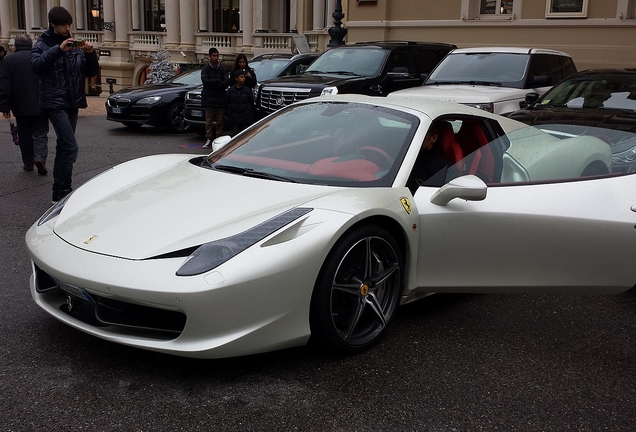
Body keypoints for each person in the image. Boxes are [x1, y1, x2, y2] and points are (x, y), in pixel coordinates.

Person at [31, 6, 99, 203]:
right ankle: (64, 188)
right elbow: (37, 66)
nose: (68, 28)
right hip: (53, 102)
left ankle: (59, 193)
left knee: (63, 146)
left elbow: (89, 73)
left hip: (72, 102)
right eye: (64, 25)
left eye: (69, 24)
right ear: (53, 24)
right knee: (70, 146)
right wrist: (58, 50)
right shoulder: (42, 44)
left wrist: (90, 54)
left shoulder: (74, 45)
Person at [0, 34, 49, 175]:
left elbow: (5, 85)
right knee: (40, 133)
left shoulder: (8, 60)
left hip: (19, 105)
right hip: (40, 102)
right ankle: (40, 158)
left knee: (24, 135)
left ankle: (28, 163)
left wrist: (4, 106)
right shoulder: (39, 57)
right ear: (31, 44)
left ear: (15, 45)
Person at [407, 123, 451, 193]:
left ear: (433, 138)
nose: (411, 138)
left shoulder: (442, 168)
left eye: (418, 134)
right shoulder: (403, 152)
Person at [201, 47, 230, 149]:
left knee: (219, 120)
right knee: (209, 120)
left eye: (217, 56)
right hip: (209, 98)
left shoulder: (222, 69)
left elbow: (226, 82)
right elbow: (205, 82)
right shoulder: (205, 69)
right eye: (214, 56)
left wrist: (214, 82)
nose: (216, 58)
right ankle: (209, 138)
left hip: (220, 98)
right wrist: (217, 81)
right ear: (209, 56)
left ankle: (218, 138)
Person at [226, 70, 255, 136]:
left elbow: (251, 102)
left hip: (245, 117)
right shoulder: (231, 91)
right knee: (236, 134)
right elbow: (227, 102)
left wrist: (249, 114)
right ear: (236, 78)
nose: (243, 79)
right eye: (241, 77)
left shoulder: (247, 90)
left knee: (245, 134)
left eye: (244, 77)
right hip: (235, 117)